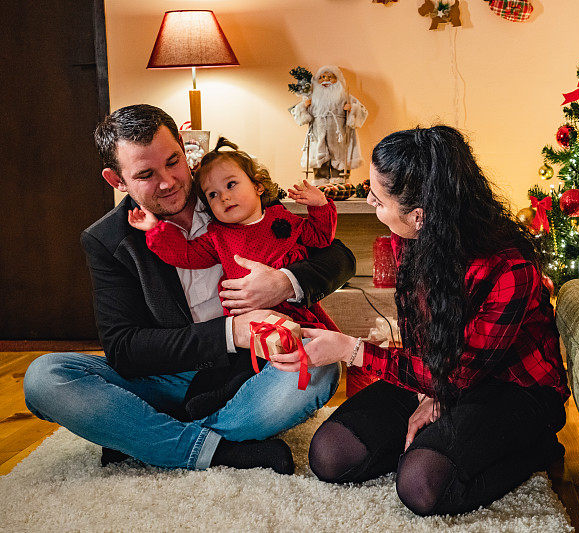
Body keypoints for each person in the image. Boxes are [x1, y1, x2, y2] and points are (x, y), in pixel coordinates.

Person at [23, 104, 355, 473]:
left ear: (184, 148)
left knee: (320, 364)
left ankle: (146, 438)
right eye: (146, 174)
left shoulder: (226, 188)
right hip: (168, 379)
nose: (168, 181)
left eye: (173, 161)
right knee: (45, 377)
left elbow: (337, 256)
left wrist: (284, 283)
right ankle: (221, 450)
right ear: (116, 180)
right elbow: (124, 349)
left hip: (250, 375)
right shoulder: (106, 240)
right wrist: (234, 332)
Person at [269, 126, 570, 515]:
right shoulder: (408, 238)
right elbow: (418, 334)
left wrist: (350, 349)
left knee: (420, 485)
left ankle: (537, 445)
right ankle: (441, 444)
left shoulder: (511, 268)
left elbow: (461, 374)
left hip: (515, 387)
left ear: (419, 215)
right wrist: (428, 392)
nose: (368, 200)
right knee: (331, 454)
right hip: (442, 372)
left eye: (377, 199)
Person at [128, 136, 339, 419]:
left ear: (258, 185)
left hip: (295, 320)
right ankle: (200, 409)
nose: (224, 196)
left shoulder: (284, 219)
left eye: (231, 185)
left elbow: (321, 237)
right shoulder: (218, 236)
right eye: (212, 195)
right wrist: (155, 229)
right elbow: (186, 255)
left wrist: (320, 205)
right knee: (231, 372)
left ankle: (228, 420)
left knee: (306, 364)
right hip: (247, 330)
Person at [290, 65, 368, 182]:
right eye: (321, 77)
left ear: (337, 79)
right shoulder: (312, 98)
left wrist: (352, 109)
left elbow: (362, 111)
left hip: (339, 136)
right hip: (317, 134)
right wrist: (304, 107)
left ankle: (339, 181)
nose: (325, 80)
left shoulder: (344, 96)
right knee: (319, 156)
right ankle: (320, 181)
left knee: (339, 156)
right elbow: (298, 114)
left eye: (330, 77)